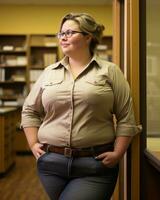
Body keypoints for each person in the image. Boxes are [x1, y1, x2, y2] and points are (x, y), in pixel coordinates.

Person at [21, 13, 141, 200]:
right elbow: (30, 110)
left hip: (93, 165)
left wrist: (118, 153)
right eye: (60, 33)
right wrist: (33, 144)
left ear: (88, 37)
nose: (63, 37)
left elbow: (126, 116)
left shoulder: (110, 71)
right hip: (51, 164)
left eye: (69, 32)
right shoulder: (48, 73)